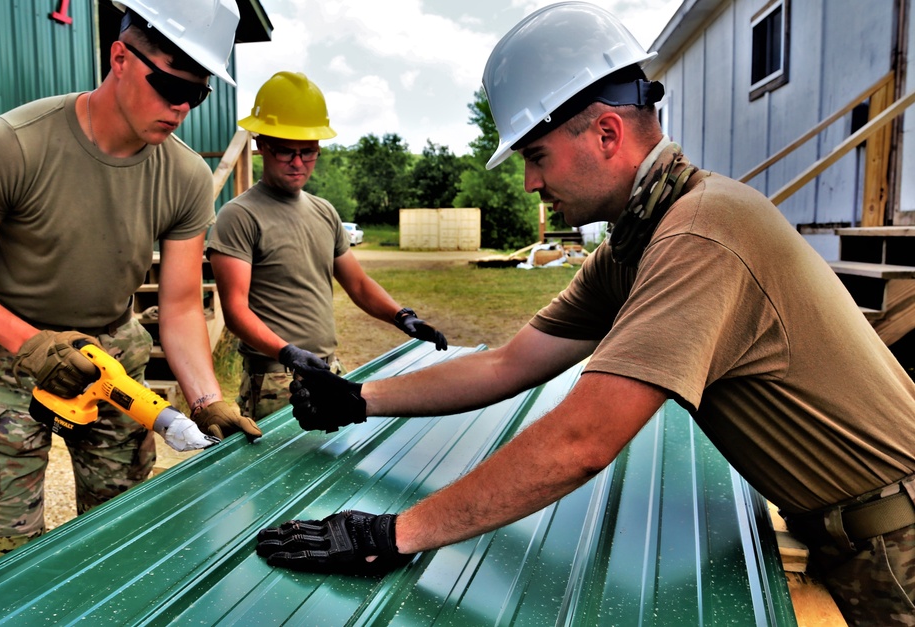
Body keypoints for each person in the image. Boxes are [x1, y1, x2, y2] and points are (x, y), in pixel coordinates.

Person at [254, 4, 915, 625]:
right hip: (855, 528)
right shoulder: (639, 244)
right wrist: (358, 398)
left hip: (899, 538)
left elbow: (580, 442)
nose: (529, 184)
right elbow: (509, 363)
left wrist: (393, 533)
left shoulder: (700, 235)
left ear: (605, 132)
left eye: (535, 157)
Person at [0, 0, 261, 567]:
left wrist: (206, 401)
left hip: (115, 358)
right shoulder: (17, 144)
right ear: (120, 58)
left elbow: (176, 308)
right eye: (168, 85)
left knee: (118, 539)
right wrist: (28, 342)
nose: (179, 109)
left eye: (195, 95)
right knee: (10, 559)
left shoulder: (186, 177)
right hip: (11, 359)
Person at [206, 71, 447, 423]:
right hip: (276, 378)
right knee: (285, 476)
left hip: (328, 367)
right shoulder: (239, 216)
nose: (298, 163)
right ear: (261, 145)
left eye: (309, 152)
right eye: (286, 151)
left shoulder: (324, 211)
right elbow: (236, 311)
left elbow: (359, 285)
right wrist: (287, 353)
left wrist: (403, 317)